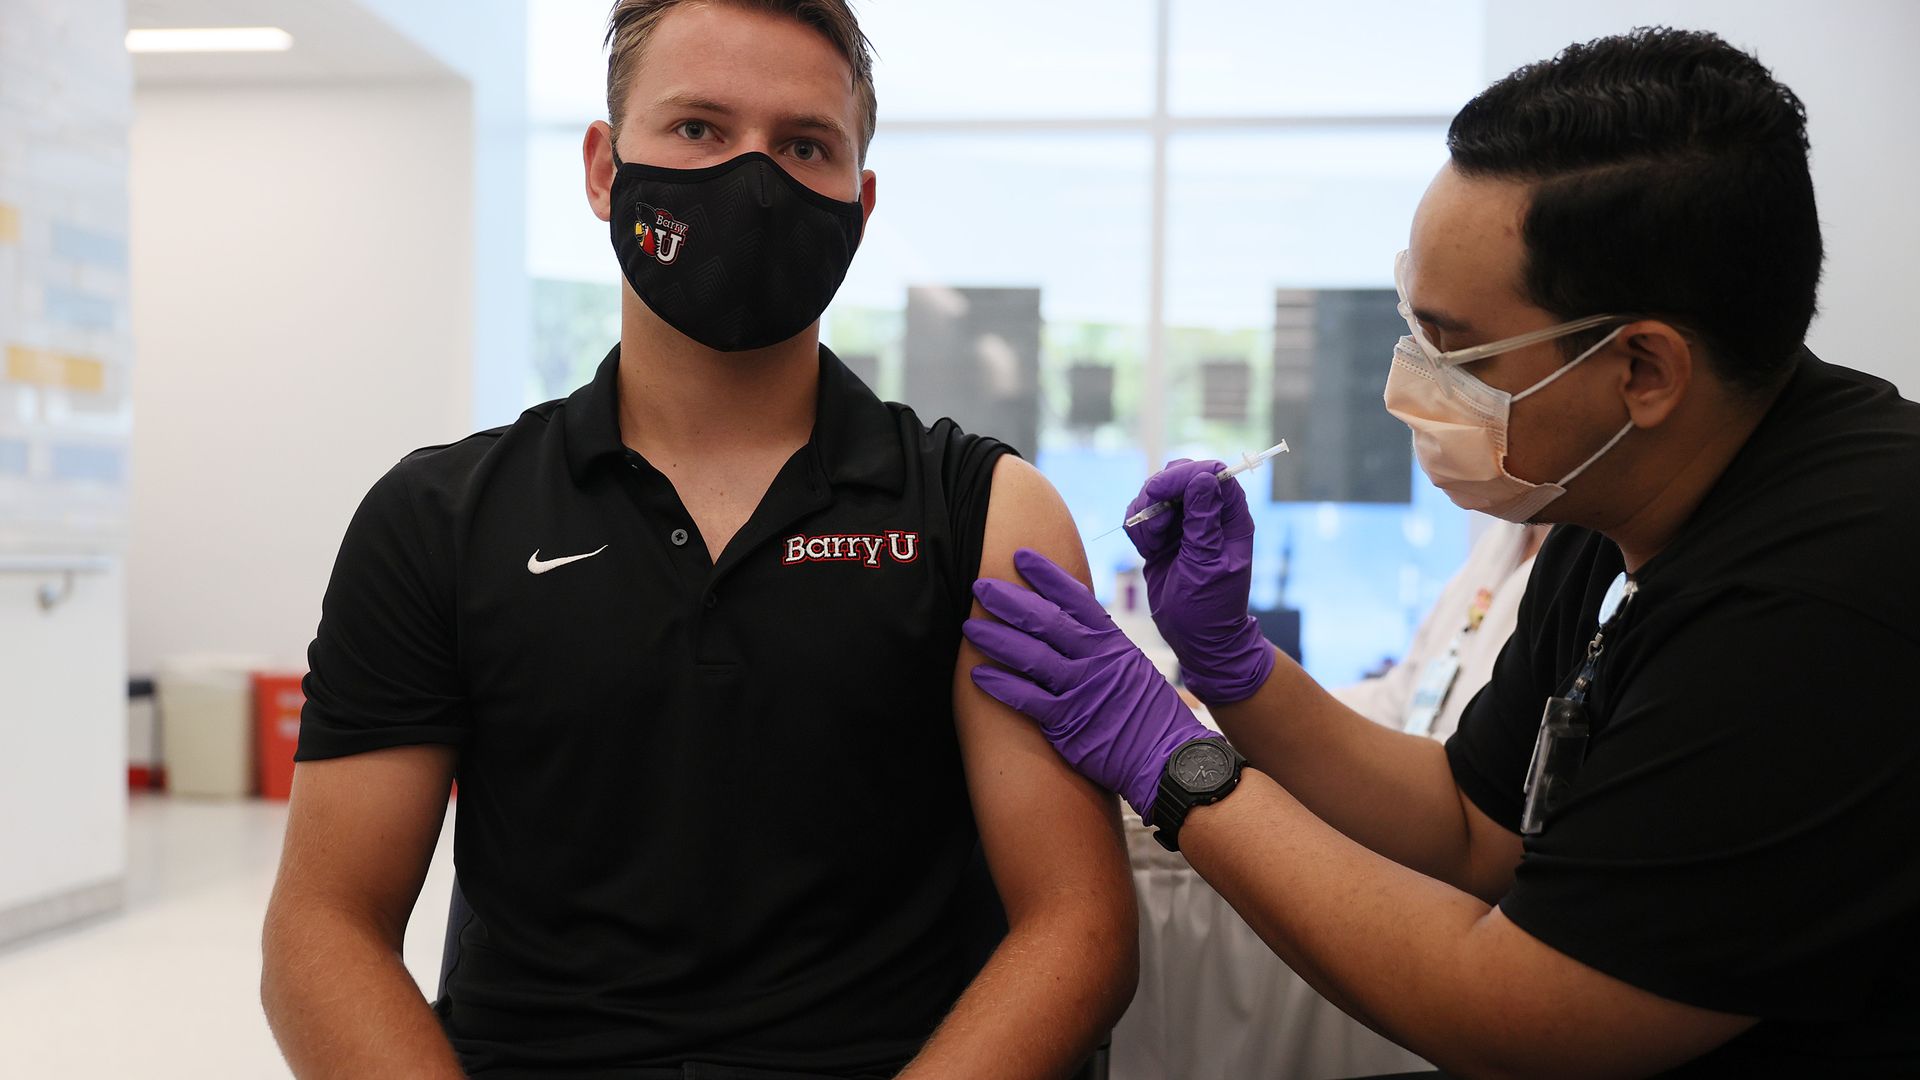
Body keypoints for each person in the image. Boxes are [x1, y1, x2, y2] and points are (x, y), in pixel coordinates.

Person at [962, 27, 1920, 1078]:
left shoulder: (1823, 597)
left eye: (1458, 349)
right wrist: (1237, 669)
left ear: (1643, 369)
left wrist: (1174, 762)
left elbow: (1518, 1014)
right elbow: (1471, 823)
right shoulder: (1632, 498)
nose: (1414, 381)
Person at [259, 2, 1135, 1077]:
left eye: (804, 145)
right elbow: (323, 930)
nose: (751, 180)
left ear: (859, 207)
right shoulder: (437, 519)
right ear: (601, 169)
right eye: (698, 130)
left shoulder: (984, 513)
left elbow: (1079, 932)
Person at [1333, 522, 1547, 741]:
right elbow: (1402, 696)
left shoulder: (1568, 565)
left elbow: (1492, 756)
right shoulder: (1503, 535)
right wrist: (1306, 705)